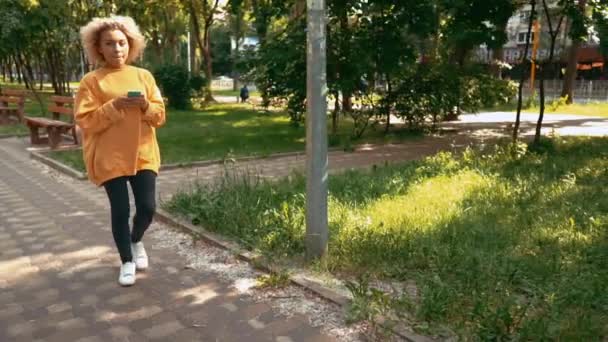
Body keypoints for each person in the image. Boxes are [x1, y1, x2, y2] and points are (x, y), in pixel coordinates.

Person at [75, 16, 166, 286]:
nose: (117, 49)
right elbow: (86, 121)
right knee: (120, 210)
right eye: (110, 44)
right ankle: (126, 260)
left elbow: (159, 116)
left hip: (143, 151)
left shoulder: (143, 76)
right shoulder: (91, 81)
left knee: (148, 208)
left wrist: (143, 107)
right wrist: (115, 105)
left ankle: (136, 240)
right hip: (109, 154)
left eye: (122, 43)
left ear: (131, 45)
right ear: (98, 48)